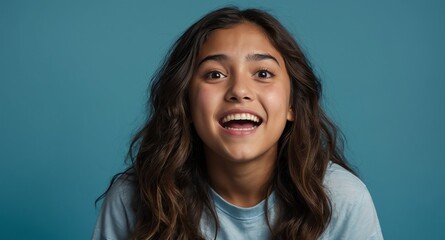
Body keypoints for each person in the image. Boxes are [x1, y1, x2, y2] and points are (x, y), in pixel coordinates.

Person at [92, 7, 383, 240]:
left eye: (263, 74)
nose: (239, 90)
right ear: (186, 104)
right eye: (215, 74)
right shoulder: (134, 197)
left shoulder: (343, 200)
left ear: (293, 104)